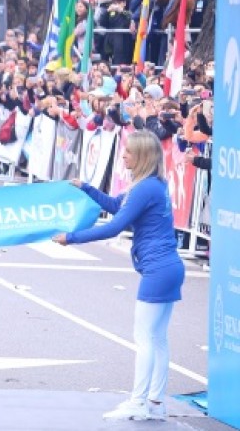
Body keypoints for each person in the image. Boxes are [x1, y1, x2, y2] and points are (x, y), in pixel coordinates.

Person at [53, 130, 185, 422]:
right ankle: (155, 402)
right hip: (169, 267)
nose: (123, 156)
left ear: (141, 157)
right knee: (158, 339)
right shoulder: (152, 185)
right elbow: (115, 205)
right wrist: (87, 188)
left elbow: (114, 227)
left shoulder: (144, 189)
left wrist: (71, 238)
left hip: (158, 269)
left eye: (128, 152)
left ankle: (139, 401)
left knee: (145, 338)